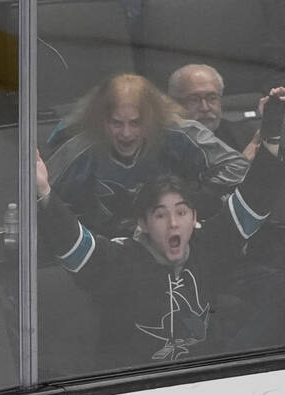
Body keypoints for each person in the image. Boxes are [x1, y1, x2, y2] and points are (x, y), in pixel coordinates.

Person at [36, 91, 285, 368]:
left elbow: (255, 200)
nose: (174, 223)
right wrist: (44, 191)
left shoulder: (208, 244)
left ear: (195, 217)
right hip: (132, 386)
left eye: (181, 212)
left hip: (205, 382)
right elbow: (73, 244)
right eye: (161, 215)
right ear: (143, 222)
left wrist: (272, 134)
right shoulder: (122, 260)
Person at [44, 73, 248, 239]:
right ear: (102, 121)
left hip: (174, 239)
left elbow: (237, 166)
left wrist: (195, 198)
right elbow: (40, 196)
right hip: (108, 249)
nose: (126, 133)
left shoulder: (179, 133)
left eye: (135, 123)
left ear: (152, 119)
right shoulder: (80, 148)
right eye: (116, 123)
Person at [167, 64, 256, 156]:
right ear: (175, 103)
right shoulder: (160, 144)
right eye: (194, 99)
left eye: (212, 98)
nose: (205, 108)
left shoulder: (244, 135)